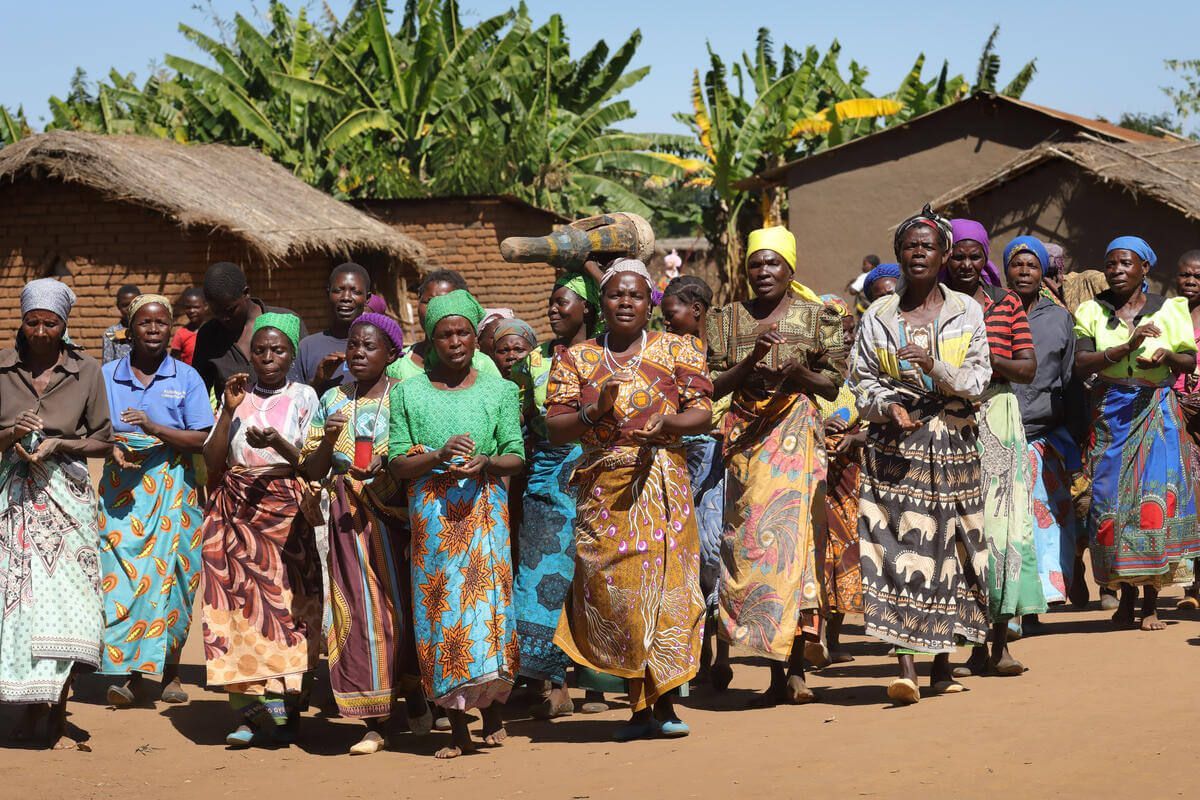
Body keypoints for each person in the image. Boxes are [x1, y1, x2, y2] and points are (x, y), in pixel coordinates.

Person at [547, 258, 712, 741]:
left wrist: (671, 424)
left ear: (650, 303)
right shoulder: (575, 359)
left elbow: (701, 412)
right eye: (616, 294)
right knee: (616, 594)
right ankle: (636, 705)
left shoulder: (677, 350)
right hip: (605, 492)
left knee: (667, 591)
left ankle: (660, 706)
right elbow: (554, 425)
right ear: (602, 303)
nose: (625, 302)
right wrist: (594, 411)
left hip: (663, 483)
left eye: (636, 295)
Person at [849, 205, 991, 705]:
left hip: (954, 442)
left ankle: (941, 666)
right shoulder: (878, 315)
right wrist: (885, 407)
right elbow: (859, 381)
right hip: (894, 448)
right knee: (890, 545)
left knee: (952, 547)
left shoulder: (967, 312)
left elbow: (978, 380)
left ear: (944, 254)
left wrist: (936, 369)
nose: (918, 253)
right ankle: (905, 663)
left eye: (928, 246)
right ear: (898, 255)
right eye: (909, 246)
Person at [708, 226, 846, 705]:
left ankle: (792, 669)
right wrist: (751, 364)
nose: (763, 272)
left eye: (773, 264)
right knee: (753, 550)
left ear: (791, 269)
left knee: (797, 549)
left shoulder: (817, 317)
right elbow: (712, 386)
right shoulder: (725, 320)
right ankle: (769, 666)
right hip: (747, 444)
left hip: (797, 439)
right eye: (755, 264)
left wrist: (797, 373)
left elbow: (831, 385)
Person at [387, 289, 523, 759]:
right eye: (444, 334)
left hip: (485, 513)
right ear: (431, 339)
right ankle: (458, 729)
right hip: (434, 520)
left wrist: (485, 460)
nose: (455, 341)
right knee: (442, 617)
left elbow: (516, 454)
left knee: (486, 612)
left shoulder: (500, 391)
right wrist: (437, 456)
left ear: (475, 338)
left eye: (463, 331)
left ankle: (493, 711)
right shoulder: (407, 393)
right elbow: (396, 464)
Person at [300, 312, 429, 755]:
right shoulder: (332, 399)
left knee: (406, 610)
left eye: (368, 346)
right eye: (353, 345)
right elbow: (311, 469)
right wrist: (324, 442)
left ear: (391, 354)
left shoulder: (409, 396)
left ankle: (412, 689)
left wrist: (391, 462)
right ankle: (374, 720)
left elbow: (422, 449)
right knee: (360, 611)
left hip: (401, 518)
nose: (357, 353)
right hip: (347, 520)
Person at [200, 312, 322, 747]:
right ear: (248, 354)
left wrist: (275, 444)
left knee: (286, 613)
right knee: (237, 615)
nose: (268, 358)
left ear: (291, 354)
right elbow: (214, 460)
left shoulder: (305, 396)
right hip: (234, 514)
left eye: (278, 350)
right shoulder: (234, 395)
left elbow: (311, 462)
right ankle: (249, 716)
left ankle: (283, 710)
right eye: (260, 350)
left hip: (285, 518)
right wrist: (228, 411)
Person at [0, 278, 111, 749]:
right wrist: (10, 433)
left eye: (51, 324)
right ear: (20, 322)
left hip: (67, 498)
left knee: (73, 607)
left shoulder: (86, 370)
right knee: (19, 607)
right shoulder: (1, 368)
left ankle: (59, 709)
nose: (42, 332)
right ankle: (28, 710)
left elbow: (104, 438)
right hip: (13, 500)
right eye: (33, 322)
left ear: (64, 326)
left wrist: (61, 442)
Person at [1074, 237, 1200, 630]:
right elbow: (1081, 362)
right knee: (1111, 507)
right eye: (1111, 264)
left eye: (1126, 263)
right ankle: (1123, 595)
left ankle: (1149, 601)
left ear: (1145, 268)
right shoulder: (1091, 310)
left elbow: (1189, 358)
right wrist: (1126, 347)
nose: (1117, 270)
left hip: (1157, 411)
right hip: (1112, 415)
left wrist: (1168, 356)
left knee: (1153, 503)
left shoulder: (1169, 307)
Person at [98, 294, 214, 708]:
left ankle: (170, 670)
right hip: (123, 491)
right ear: (129, 330)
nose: (152, 329)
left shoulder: (186, 378)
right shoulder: (106, 376)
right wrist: (112, 444)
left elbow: (203, 437)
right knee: (125, 574)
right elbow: (91, 429)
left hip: (174, 487)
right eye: (144, 323)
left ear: (171, 330)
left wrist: (153, 427)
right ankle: (127, 673)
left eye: (161, 323)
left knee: (177, 578)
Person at [944, 218, 1044, 676]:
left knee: (1002, 530)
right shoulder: (935, 305)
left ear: (986, 258)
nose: (966, 264)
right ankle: (966, 644)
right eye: (957, 255)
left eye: (974, 256)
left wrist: (983, 359)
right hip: (949, 419)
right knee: (959, 532)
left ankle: (1000, 643)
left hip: (998, 418)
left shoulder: (1005, 304)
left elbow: (1027, 368)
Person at [510, 273, 599, 718]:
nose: (553, 310)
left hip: (595, 473)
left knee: (592, 576)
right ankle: (553, 681)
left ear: (587, 307)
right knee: (543, 578)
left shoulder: (606, 353)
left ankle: (597, 684)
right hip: (547, 475)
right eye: (550, 303)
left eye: (563, 302)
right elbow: (527, 416)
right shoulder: (534, 361)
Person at [1004, 237, 1080, 631]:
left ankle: (1039, 604)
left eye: (1032, 266)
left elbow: (1068, 377)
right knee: (1009, 523)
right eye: (1017, 265)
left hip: (1045, 432)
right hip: (1000, 432)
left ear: (1042, 273)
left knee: (1047, 522)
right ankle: (1010, 606)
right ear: (1005, 270)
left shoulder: (1059, 317)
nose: (1024, 272)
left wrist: (1075, 430)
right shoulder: (992, 313)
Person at [660, 275, 727, 682]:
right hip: (681, 455)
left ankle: (720, 654)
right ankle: (700, 652)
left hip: (717, 456)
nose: (665, 322)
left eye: (672, 314)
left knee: (714, 550)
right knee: (686, 552)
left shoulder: (720, 351)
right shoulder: (664, 351)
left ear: (697, 311)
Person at [814, 294, 866, 663]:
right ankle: (815, 639)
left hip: (850, 475)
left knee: (846, 553)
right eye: (837, 332)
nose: (845, 338)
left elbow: (875, 423)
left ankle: (833, 640)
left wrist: (852, 436)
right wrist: (820, 429)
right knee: (818, 556)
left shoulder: (861, 373)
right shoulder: (808, 371)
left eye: (849, 331)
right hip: (815, 474)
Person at [192, 261, 308, 396]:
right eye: (216, 312)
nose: (224, 318)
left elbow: (306, 372)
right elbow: (198, 391)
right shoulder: (209, 335)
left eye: (230, 310)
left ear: (246, 293)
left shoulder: (285, 322)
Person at [386, 270, 501, 381]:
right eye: (428, 301)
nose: (433, 309)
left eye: (443, 303)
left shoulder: (482, 365)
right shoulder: (399, 365)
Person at [293, 263, 372, 395]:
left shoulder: (377, 347)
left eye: (355, 291)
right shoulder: (307, 347)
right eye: (338, 290)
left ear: (367, 298)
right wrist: (318, 381)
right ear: (328, 293)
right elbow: (295, 404)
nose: (346, 297)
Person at [1173, 250, 1200, 610]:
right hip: (1177, 411)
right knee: (1188, 497)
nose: (1191, 282)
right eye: (1185, 275)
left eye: (1198, 276)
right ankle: (1192, 587)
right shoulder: (1168, 314)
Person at [102, 284, 142, 364]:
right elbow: (107, 364)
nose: (129, 309)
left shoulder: (148, 329)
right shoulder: (111, 333)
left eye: (134, 304)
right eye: (124, 305)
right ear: (118, 306)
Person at [170, 287, 207, 365]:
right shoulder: (181, 334)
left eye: (196, 307)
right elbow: (174, 361)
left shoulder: (213, 330)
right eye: (188, 307)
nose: (192, 311)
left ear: (205, 306)